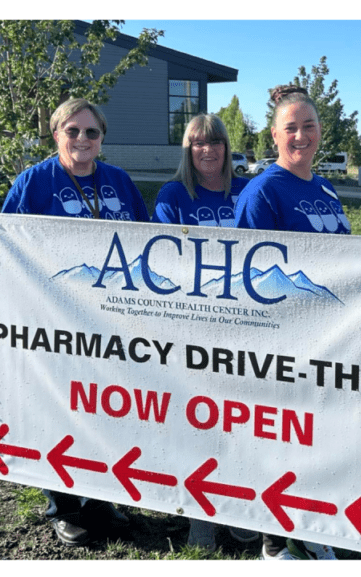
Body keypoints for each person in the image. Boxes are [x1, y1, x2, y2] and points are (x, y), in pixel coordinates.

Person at [1, 98, 148, 547]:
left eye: (92, 133)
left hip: (114, 323)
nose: (82, 140)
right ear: (56, 134)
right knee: (61, 411)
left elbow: (145, 239)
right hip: (58, 321)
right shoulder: (34, 182)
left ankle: (101, 499)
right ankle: (63, 505)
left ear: (102, 138)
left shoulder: (119, 181)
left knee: (107, 410)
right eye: (73, 131)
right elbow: (5, 243)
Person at [234, 85, 350, 561]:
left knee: (314, 438)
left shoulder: (324, 187)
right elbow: (247, 276)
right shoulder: (261, 192)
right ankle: (273, 539)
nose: (301, 136)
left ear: (321, 131)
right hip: (282, 340)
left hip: (329, 336)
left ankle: (309, 524)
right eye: (291, 128)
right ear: (274, 134)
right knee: (278, 438)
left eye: (309, 126)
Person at [151, 113, 258, 551]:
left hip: (245, 329)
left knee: (241, 421)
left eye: (215, 142)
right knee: (197, 420)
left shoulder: (246, 191)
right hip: (193, 330)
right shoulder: (174, 195)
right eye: (198, 143)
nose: (208, 150)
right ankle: (198, 512)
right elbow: (159, 256)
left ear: (227, 147)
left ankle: (236, 504)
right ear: (187, 150)